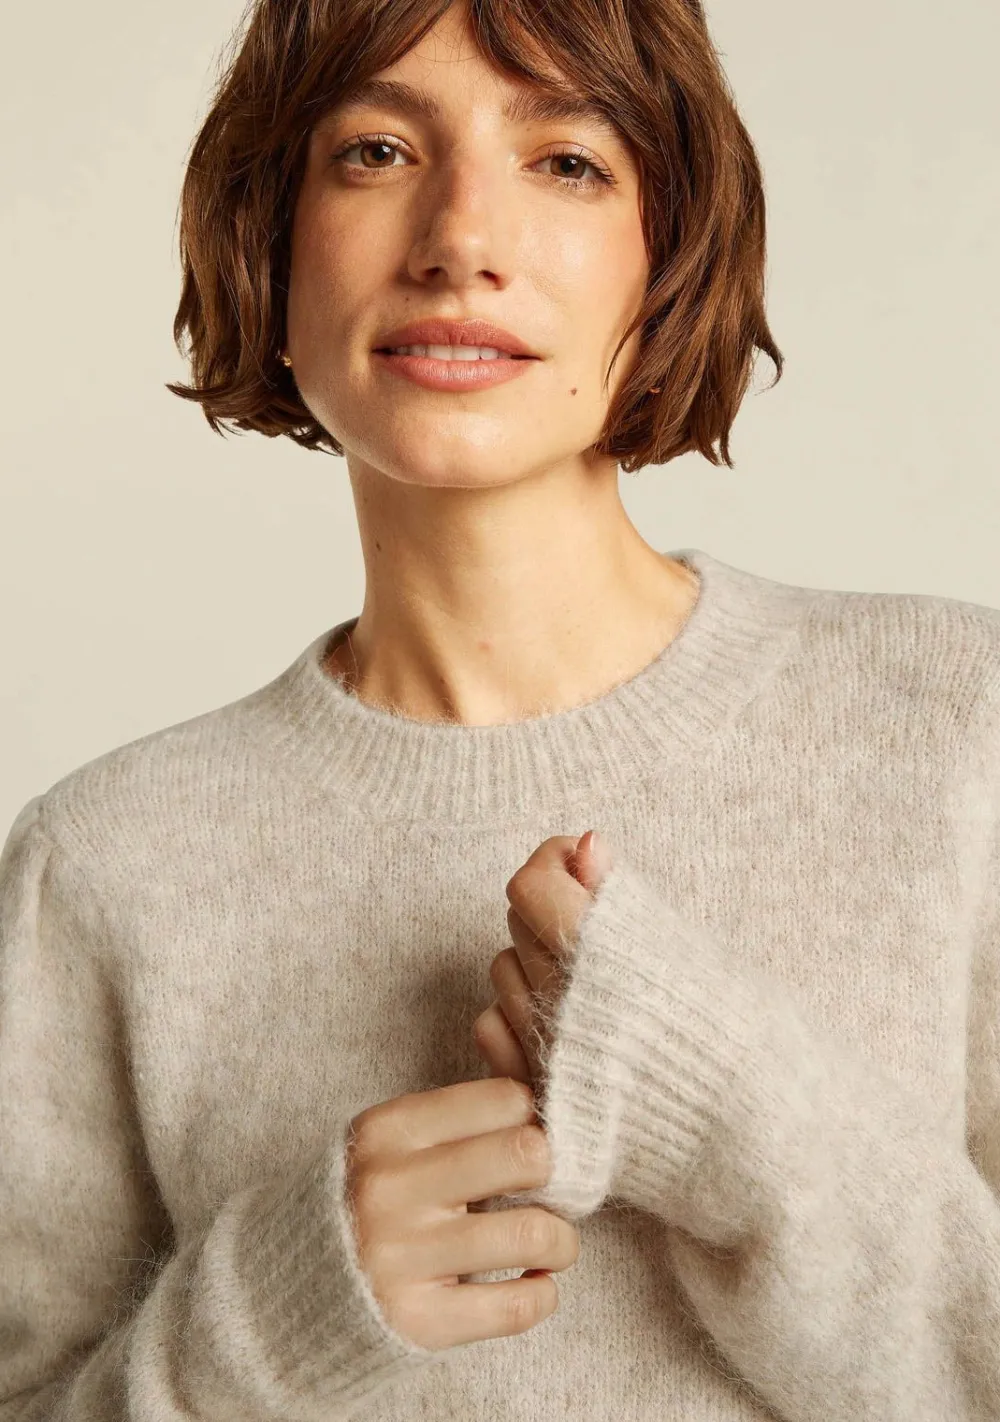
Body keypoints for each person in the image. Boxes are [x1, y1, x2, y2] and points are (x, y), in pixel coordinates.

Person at [3, 0, 1000, 1418]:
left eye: (567, 161)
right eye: (376, 151)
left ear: (672, 252)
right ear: (269, 241)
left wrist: (730, 1112)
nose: (461, 239)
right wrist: (256, 1328)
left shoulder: (959, 727)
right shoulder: (101, 865)